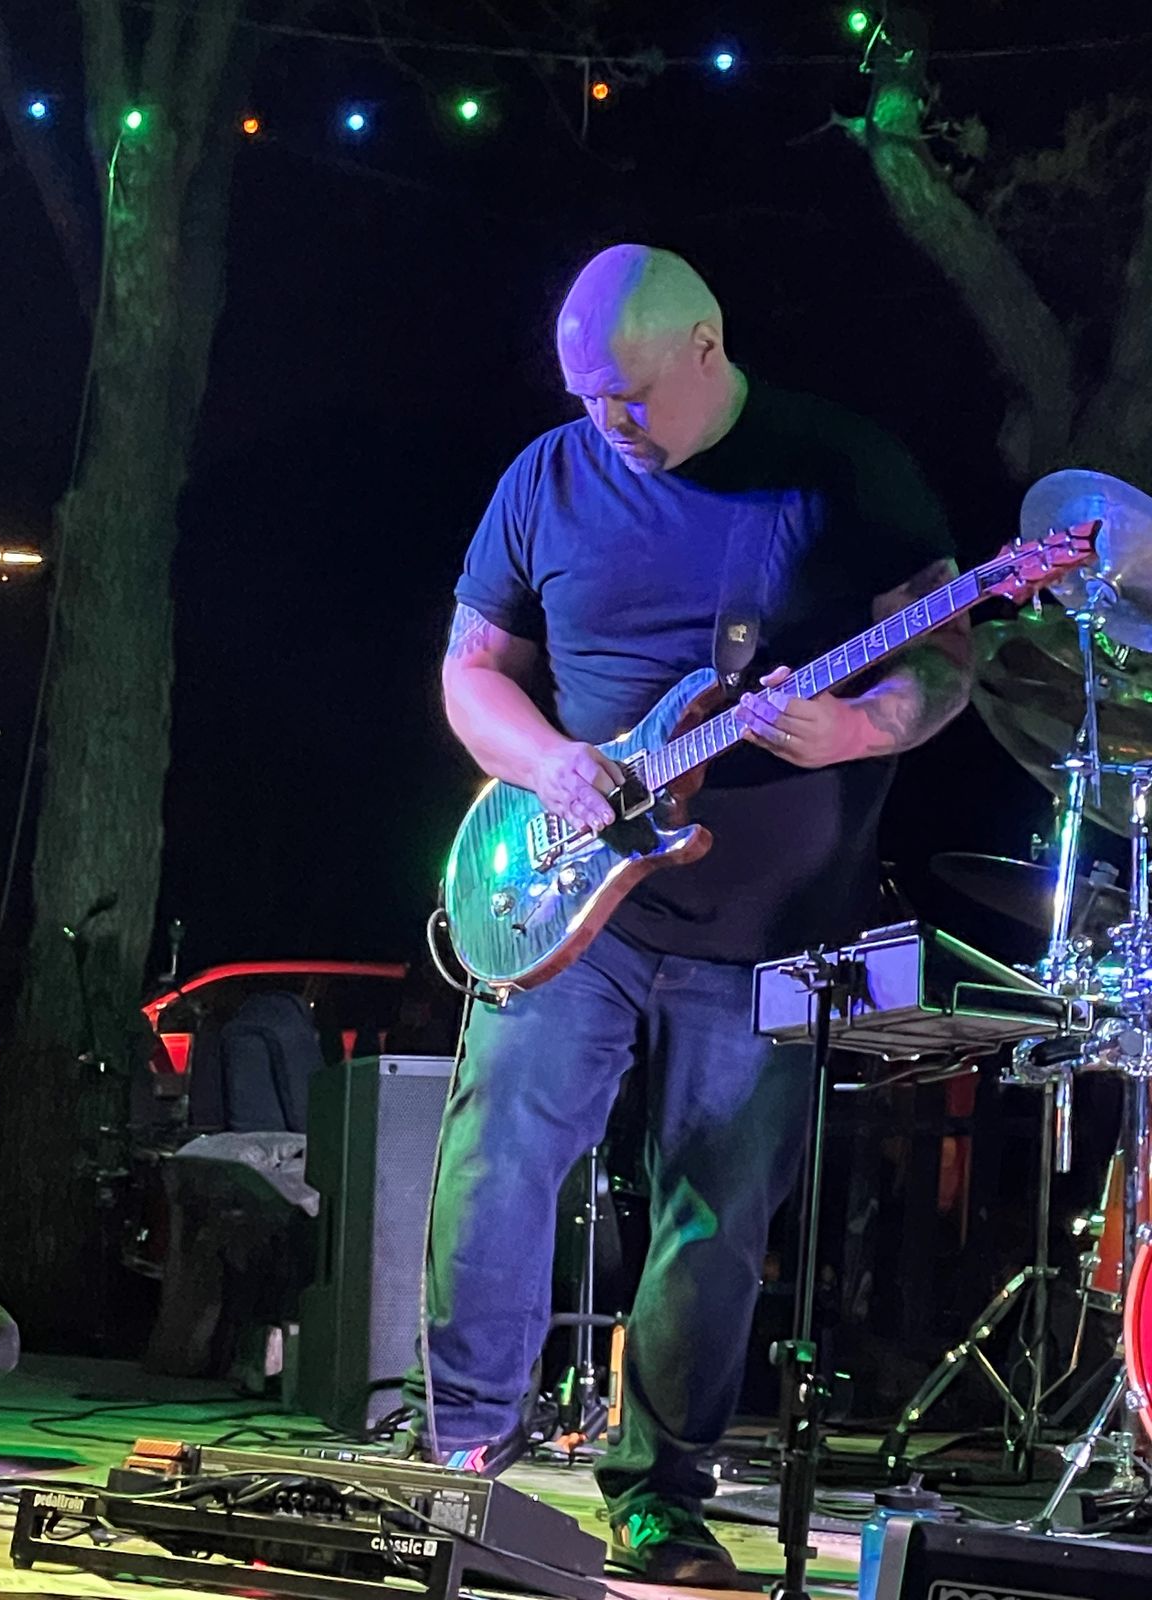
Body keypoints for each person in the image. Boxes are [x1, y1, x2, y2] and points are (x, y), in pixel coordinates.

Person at [404, 244, 971, 1585]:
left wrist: (863, 728)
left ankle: (658, 1497)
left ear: (707, 349)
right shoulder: (547, 478)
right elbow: (473, 674)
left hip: (777, 925)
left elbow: (948, 656)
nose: (606, 422)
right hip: (568, 903)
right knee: (495, 1161)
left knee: (717, 1215)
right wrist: (551, 763)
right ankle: (461, 1457)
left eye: (629, 396)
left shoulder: (844, 468)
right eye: (587, 398)